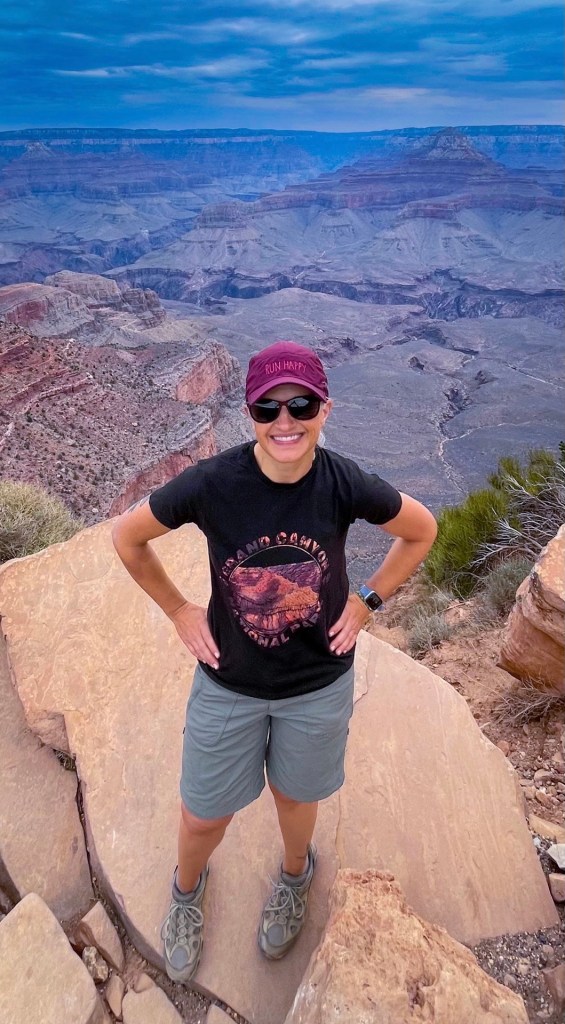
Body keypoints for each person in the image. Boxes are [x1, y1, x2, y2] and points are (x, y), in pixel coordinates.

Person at [111, 340, 437, 983]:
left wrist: (369, 600)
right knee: (202, 811)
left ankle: (295, 875)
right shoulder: (214, 484)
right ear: (248, 414)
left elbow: (420, 529)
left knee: (295, 794)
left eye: (300, 404)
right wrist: (180, 610)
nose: (284, 421)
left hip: (317, 682)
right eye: (268, 407)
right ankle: (186, 890)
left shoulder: (342, 481)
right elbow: (128, 537)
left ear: (324, 409)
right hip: (230, 680)